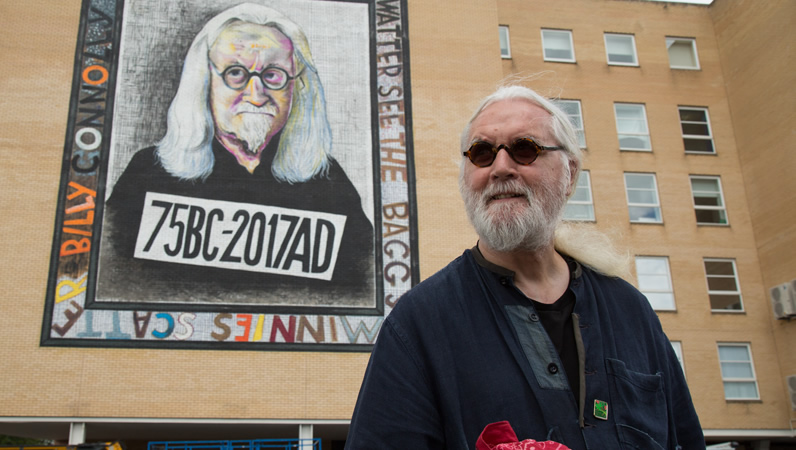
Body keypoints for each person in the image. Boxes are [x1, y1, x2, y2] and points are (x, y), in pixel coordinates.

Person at [346, 84, 704, 448]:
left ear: (570, 174)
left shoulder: (631, 312)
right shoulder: (419, 323)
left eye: (524, 149)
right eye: (482, 152)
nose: (501, 167)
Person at [98, 4, 375, 306]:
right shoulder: (149, 173)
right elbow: (112, 278)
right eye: (235, 73)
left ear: (297, 88)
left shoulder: (328, 181)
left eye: (273, 74)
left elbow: (360, 288)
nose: (256, 95)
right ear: (203, 82)